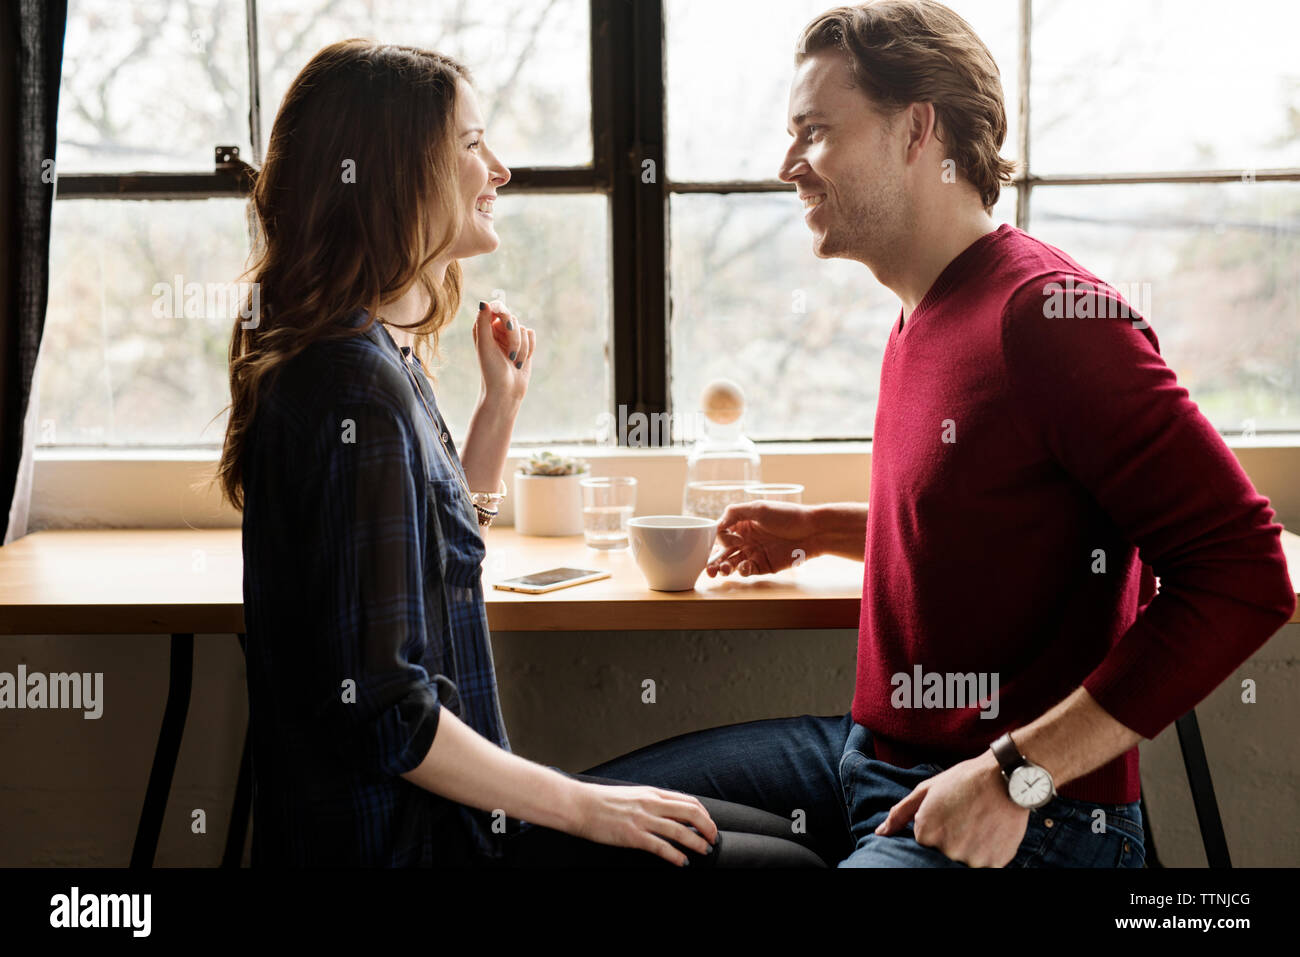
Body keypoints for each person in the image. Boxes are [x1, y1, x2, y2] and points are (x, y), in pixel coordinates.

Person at [585, 0, 1296, 867]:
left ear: (916, 129)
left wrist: (1012, 777)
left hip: (1033, 817)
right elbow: (996, 525)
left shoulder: (1047, 316)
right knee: (573, 821)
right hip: (868, 760)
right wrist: (818, 532)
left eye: (814, 131)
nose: (788, 165)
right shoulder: (922, 309)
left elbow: (1245, 570)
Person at [216, 39, 820, 868]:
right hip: (424, 847)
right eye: (471, 145)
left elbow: (427, 564)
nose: (498, 170)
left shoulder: (377, 354)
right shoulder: (351, 387)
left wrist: (499, 410)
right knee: (785, 860)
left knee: (787, 831)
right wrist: (587, 809)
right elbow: (389, 713)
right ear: (395, 172)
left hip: (454, 823)